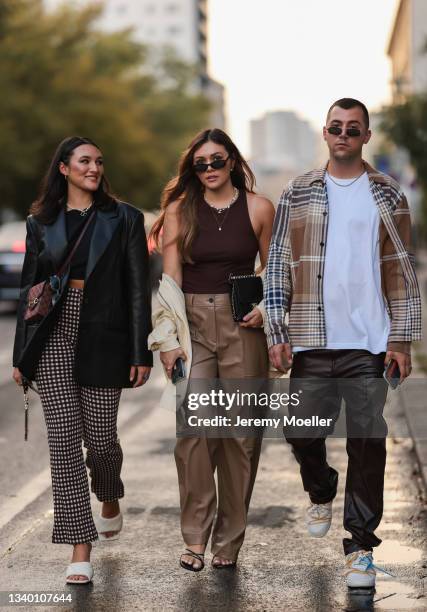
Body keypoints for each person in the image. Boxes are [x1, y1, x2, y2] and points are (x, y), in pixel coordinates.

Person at [264, 98, 421, 588]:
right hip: (312, 338)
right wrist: (277, 331)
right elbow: (277, 264)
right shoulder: (299, 190)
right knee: (301, 431)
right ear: (325, 133)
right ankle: (321, 486)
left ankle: (359, 547)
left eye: (354, 129)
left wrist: (402, 339)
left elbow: (401, 270)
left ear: (366, 137)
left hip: (369, 343)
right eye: (336, 127)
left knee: (367, 442)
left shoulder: (388, 194)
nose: (344, 135)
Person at [12, 136, 153, 584]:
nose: (94, 168)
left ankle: (109, 490)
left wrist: (139, 350)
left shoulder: (124, 217)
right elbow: (29, 294)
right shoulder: (41, 223)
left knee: (102, 438)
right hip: (53, 333)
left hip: (104, 333)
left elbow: (137, 287)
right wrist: (22, 356)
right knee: (64, 443)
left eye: (98, 161)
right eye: (84, 161)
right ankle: (79, 546)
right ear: (64, 169)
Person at [149, 128, 275, 571]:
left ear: (233, 160)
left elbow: (275, 272)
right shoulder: (180, 211)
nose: (208, 169)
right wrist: (166, 344)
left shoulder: (259, 208)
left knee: (242, 437)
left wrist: (263, 310)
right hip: (193, 327)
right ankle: (194, 538)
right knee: (195, 432)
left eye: (216, 160)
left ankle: (229, 541)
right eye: (200, 163)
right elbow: (169, 283)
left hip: (244, 328)